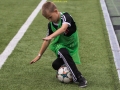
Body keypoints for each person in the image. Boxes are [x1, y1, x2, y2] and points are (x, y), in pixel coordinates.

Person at [30, 1, 87, 88]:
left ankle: (67, 67)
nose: (49, 20)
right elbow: (46, 40)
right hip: (60, 45)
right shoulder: (50, 25)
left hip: (72, 45)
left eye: (50, 17)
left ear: (56, 11)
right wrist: (39, 55)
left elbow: (63, 28)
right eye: (47, 19)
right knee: (63, 52)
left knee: (56, 65)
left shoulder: (66, 16)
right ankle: (79, 77)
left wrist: (51, 36)